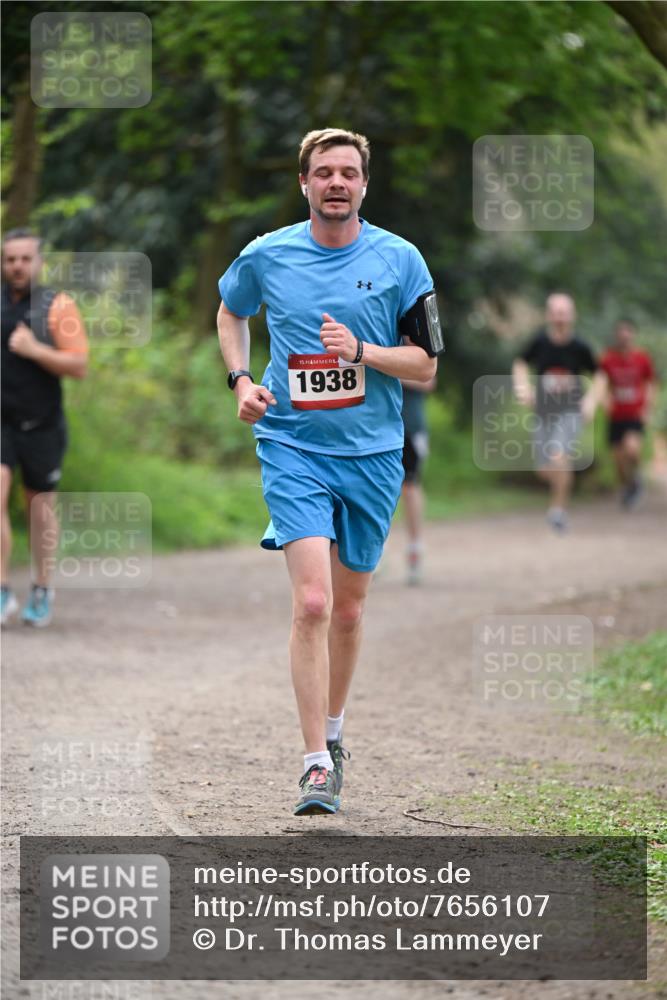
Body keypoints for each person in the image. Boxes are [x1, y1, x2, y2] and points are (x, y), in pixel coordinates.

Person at [217, 128, 441, 815]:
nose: (336, 182)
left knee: (347, 609)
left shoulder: (401, 260)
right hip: (292, 446)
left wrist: (367, 351)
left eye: (348, 172)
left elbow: (428, 367)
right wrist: (240, 380)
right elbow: (231, 312)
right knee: (312, 603)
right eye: (323, 172)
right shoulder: (268, 254)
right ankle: (314, 763)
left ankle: (336, 734)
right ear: (304, 184)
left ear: (364, 185)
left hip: (373, 455)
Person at [1, 230, 88, 627]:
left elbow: (78, 365)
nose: (17, 266)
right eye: (9, 260)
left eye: (24, 259)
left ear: (39, 263)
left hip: (42, 425)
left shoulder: (58, 306)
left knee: (39, 509)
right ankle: (2, 590)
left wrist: (35, 349)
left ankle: (40, 587)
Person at [512, 293, 605, 533]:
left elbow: (600, 375)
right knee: (544, 470)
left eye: (564, 312)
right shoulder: (540, 342)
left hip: (571, 411)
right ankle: (563, 487)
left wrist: (591, 401)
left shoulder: (580, 347)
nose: (559, 317)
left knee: (558, 454)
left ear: (572, 316)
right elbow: (520, 363)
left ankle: (557, 511)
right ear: (548, 315)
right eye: (555, 312)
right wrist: (523, 388)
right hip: (543, 411)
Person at [599, 320, 657, 508]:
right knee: (618, 460)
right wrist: (604, 400)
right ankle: (629, 485)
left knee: (632, 449)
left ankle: (637, 479)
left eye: (628, 332)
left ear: (633, 334)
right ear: (617, 336)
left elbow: (651, 383)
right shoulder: (608, 359)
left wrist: (647, 407)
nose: (624, 336)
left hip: (634, 414)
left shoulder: (642, 358)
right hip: (616, 415)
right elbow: (601, 382)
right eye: (621, 333)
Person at [400, 373, 436, 585]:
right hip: (376, 428)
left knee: (410, 488)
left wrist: (385, 365)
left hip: (410, 428)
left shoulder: (412, 340)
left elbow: (428, 380)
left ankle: (415, 549)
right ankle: (373, 553)